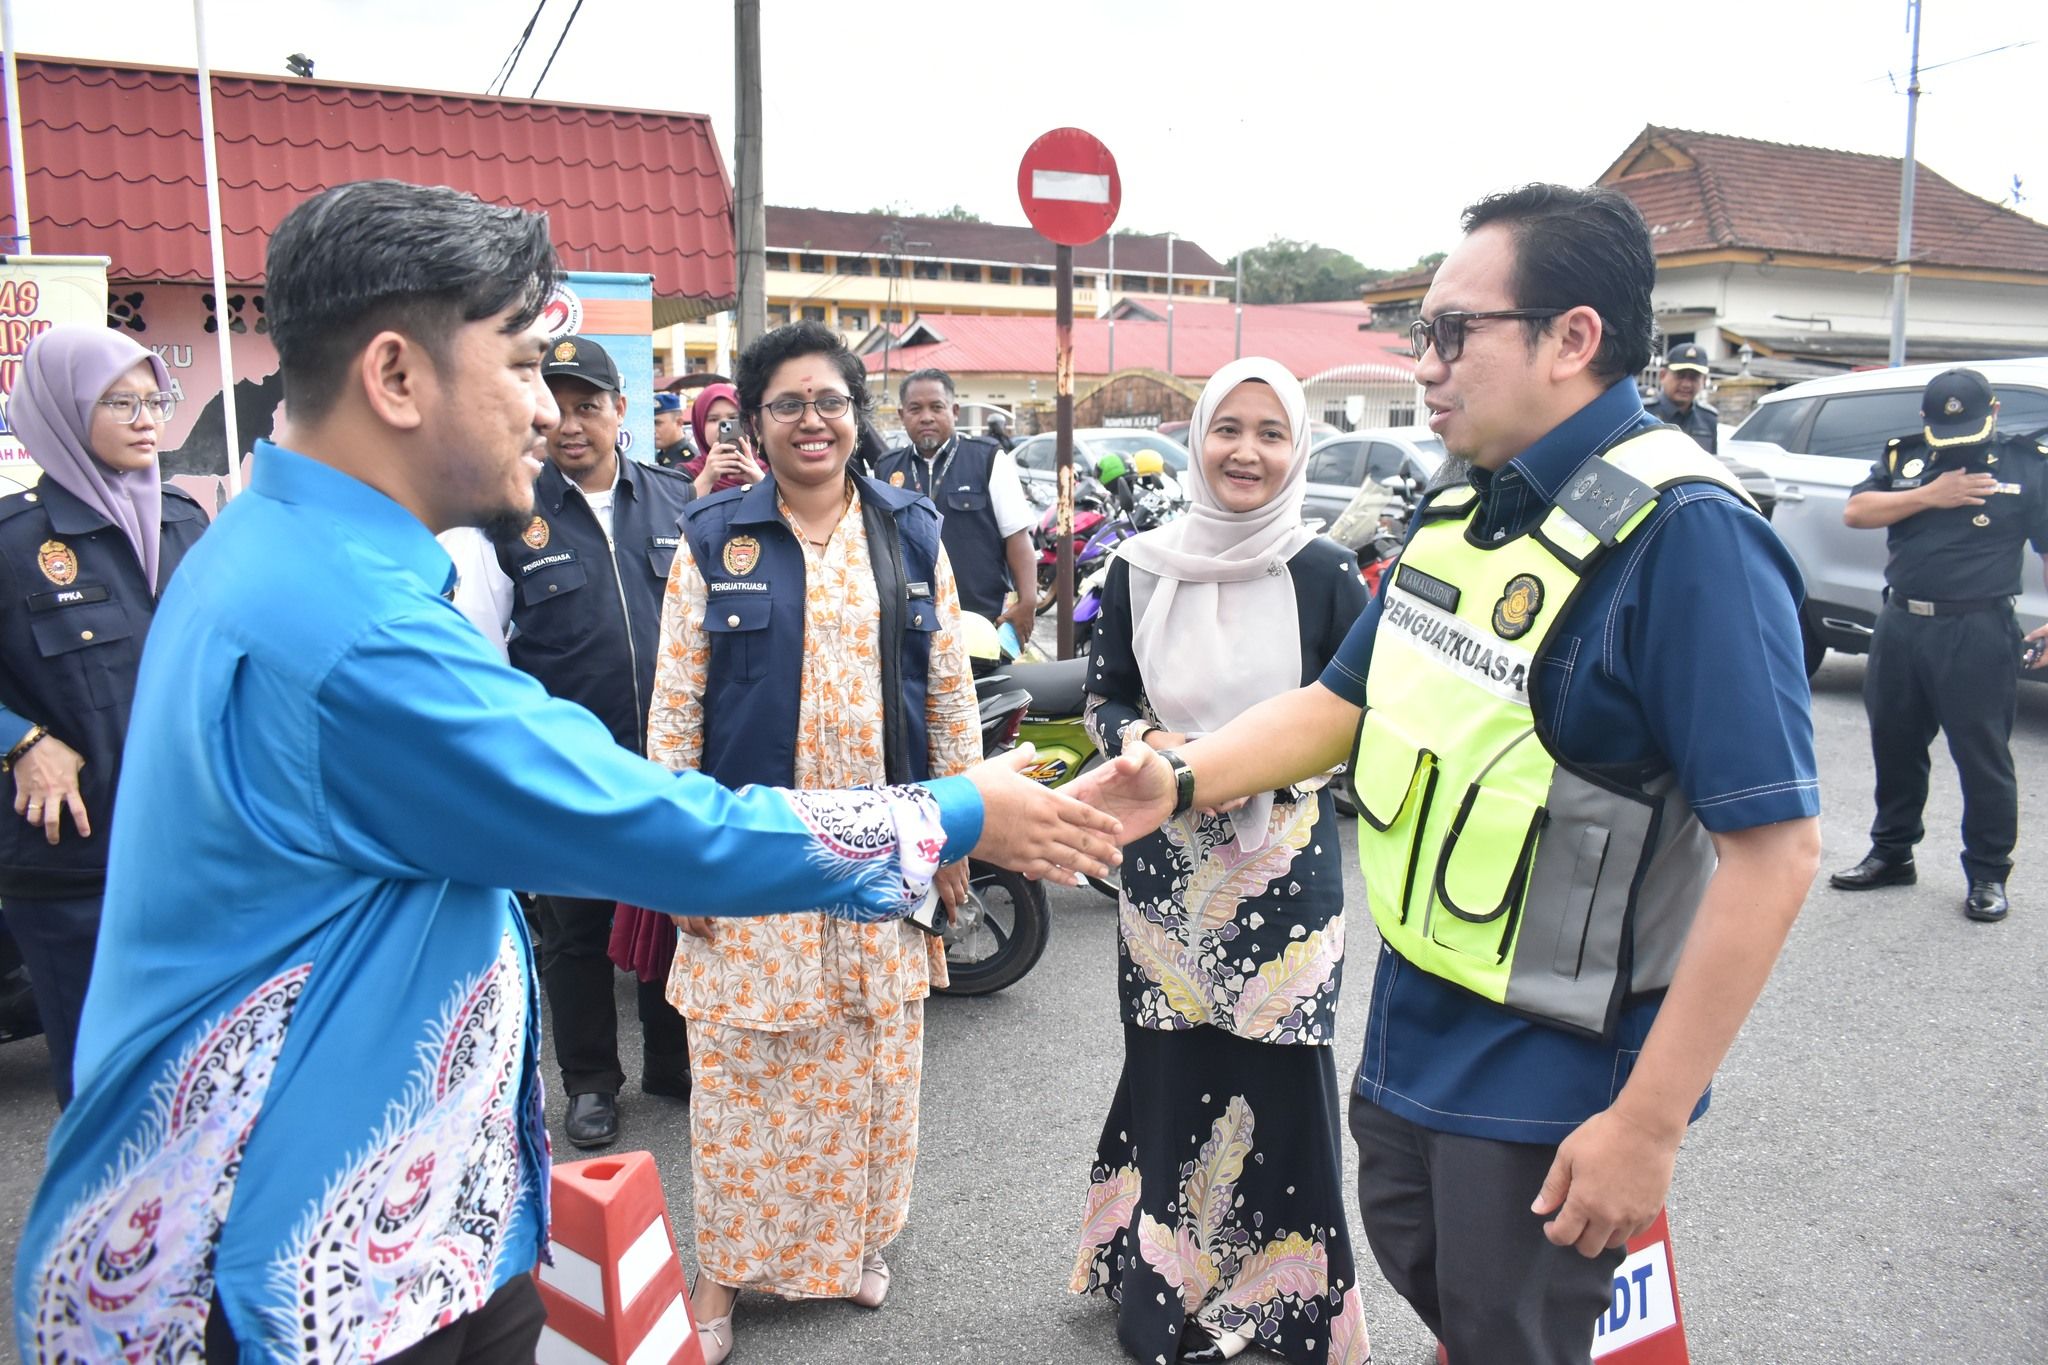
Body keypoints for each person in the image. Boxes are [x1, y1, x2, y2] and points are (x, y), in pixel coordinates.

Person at [11, 179, 1137, 1365]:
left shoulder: (272, 546)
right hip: (306, 1280)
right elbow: (658, 825)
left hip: (383, 1226)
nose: (547, 414)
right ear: (396, 376)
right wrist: (958, 812)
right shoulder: (351, 631)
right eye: (520, 367)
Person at [1071, 184, 1822, 1363]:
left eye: (1449, 333)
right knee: (1443, 1287)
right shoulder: (1469, 502)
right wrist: (1172, 782)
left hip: (1555, 1059)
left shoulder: (1687, 538)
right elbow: (1337, 704)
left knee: (1513, 1327)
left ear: (1570, 339)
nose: (1423, 366)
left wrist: (1647, 1121)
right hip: (1420, 1016)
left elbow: (1773, 854)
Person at [646, 320, 979, 1364]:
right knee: (744, 1068)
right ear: (753, 421)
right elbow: (673, 711)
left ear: (855, 411)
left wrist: (960, 832)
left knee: (873, 1054)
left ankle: (858, 1241)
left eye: (829, 401)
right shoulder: (712, 542)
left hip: (884, 846)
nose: (812, 421)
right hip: (751, 847)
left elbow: (949, 690)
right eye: (786, 404)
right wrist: (672, 855)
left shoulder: (909, 532)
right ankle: (727, 1269)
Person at [1070, 358, 1372, 1365]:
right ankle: (1170, 1293)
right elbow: (1104, 693)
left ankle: (1289, 1305)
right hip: (1162, 862)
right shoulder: (1137, 563)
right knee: (1170, 1064)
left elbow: (1348, 722)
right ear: (1195, 438)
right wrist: (1132, 744)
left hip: (1281, 863)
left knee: (1281, 1075)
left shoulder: (1324, 571)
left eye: (1270, 433)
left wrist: (1255, 767)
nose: (1245, 450)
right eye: (1226, 429)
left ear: (1297, 452)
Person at [449, 334, 701, 1150]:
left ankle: (674, 1059)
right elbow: (485, 653)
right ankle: (591, 1083)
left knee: (676, 915)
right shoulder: (507, 515)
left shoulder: (675, 503)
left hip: (664, 760)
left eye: (589, 404)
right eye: (556, 404)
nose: (571, 422)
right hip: (566, 769)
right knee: (577, 934)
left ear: (620, 410)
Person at [0, 327, 207, 1107]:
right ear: (61, 409)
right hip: (74, 869)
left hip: (191, 853)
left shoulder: (185, 520)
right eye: (119, 402)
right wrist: (17, 740)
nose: (145, 417)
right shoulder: (14, 541)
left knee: (204, 1070)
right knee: (106, 1091)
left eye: (154, 399)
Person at [1829, 368, 2048, 922]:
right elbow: (1857, 512)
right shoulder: (1905, 460)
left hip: (1977, 630)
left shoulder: (2028, 465)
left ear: (1993, 413)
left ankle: (1988, 874)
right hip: (1902, 624)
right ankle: (1892, 853)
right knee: (1895, 745)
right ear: (1926, 420)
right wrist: (1931, 495)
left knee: (1983, 757)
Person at [874, 369, 1037, 640]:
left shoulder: (988, 460)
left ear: (955, 410)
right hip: (909, 622)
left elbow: (1017, 536)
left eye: (937, 407)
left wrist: (1028, 601)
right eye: (915, 409)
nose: (926, 416)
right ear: (902, 415)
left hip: (979, 621)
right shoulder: (886, 468)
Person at [682, 380, 769, 497]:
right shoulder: (687, 473)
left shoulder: (773, 468)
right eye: (713, 419)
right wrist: (706, 479)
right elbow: (677, 513)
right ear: (699, 424)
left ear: (747, 421)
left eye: (733, 417)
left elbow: (790, 513)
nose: (722, 425)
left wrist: (761, 482)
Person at [1642, 342, 1717, 453]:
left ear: (1704, 381)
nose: (1686, 384)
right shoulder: (1644, 413)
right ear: (1663, 376)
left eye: (1694, 378)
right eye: (1680, 376)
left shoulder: (1707, 418)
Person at [652, 389, 695, 470]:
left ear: (679, 422)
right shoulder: (657, 456)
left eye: (657, 423)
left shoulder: (691, 461)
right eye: (650, 424)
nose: (652, 430)